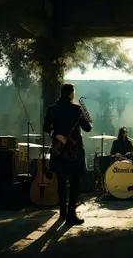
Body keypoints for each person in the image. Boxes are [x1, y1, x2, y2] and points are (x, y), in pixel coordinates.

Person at [43, 83, 92, 225]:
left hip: (59, 150)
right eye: (73, 93)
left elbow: (46, 126)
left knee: (61, 182)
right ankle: (71, 215)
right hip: (74, 151)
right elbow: (87, 128)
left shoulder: (52, 109)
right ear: (71, 93)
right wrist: (86, 116)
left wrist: (56, 135)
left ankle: (62, 213)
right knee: (75, 182)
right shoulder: (77, 109)